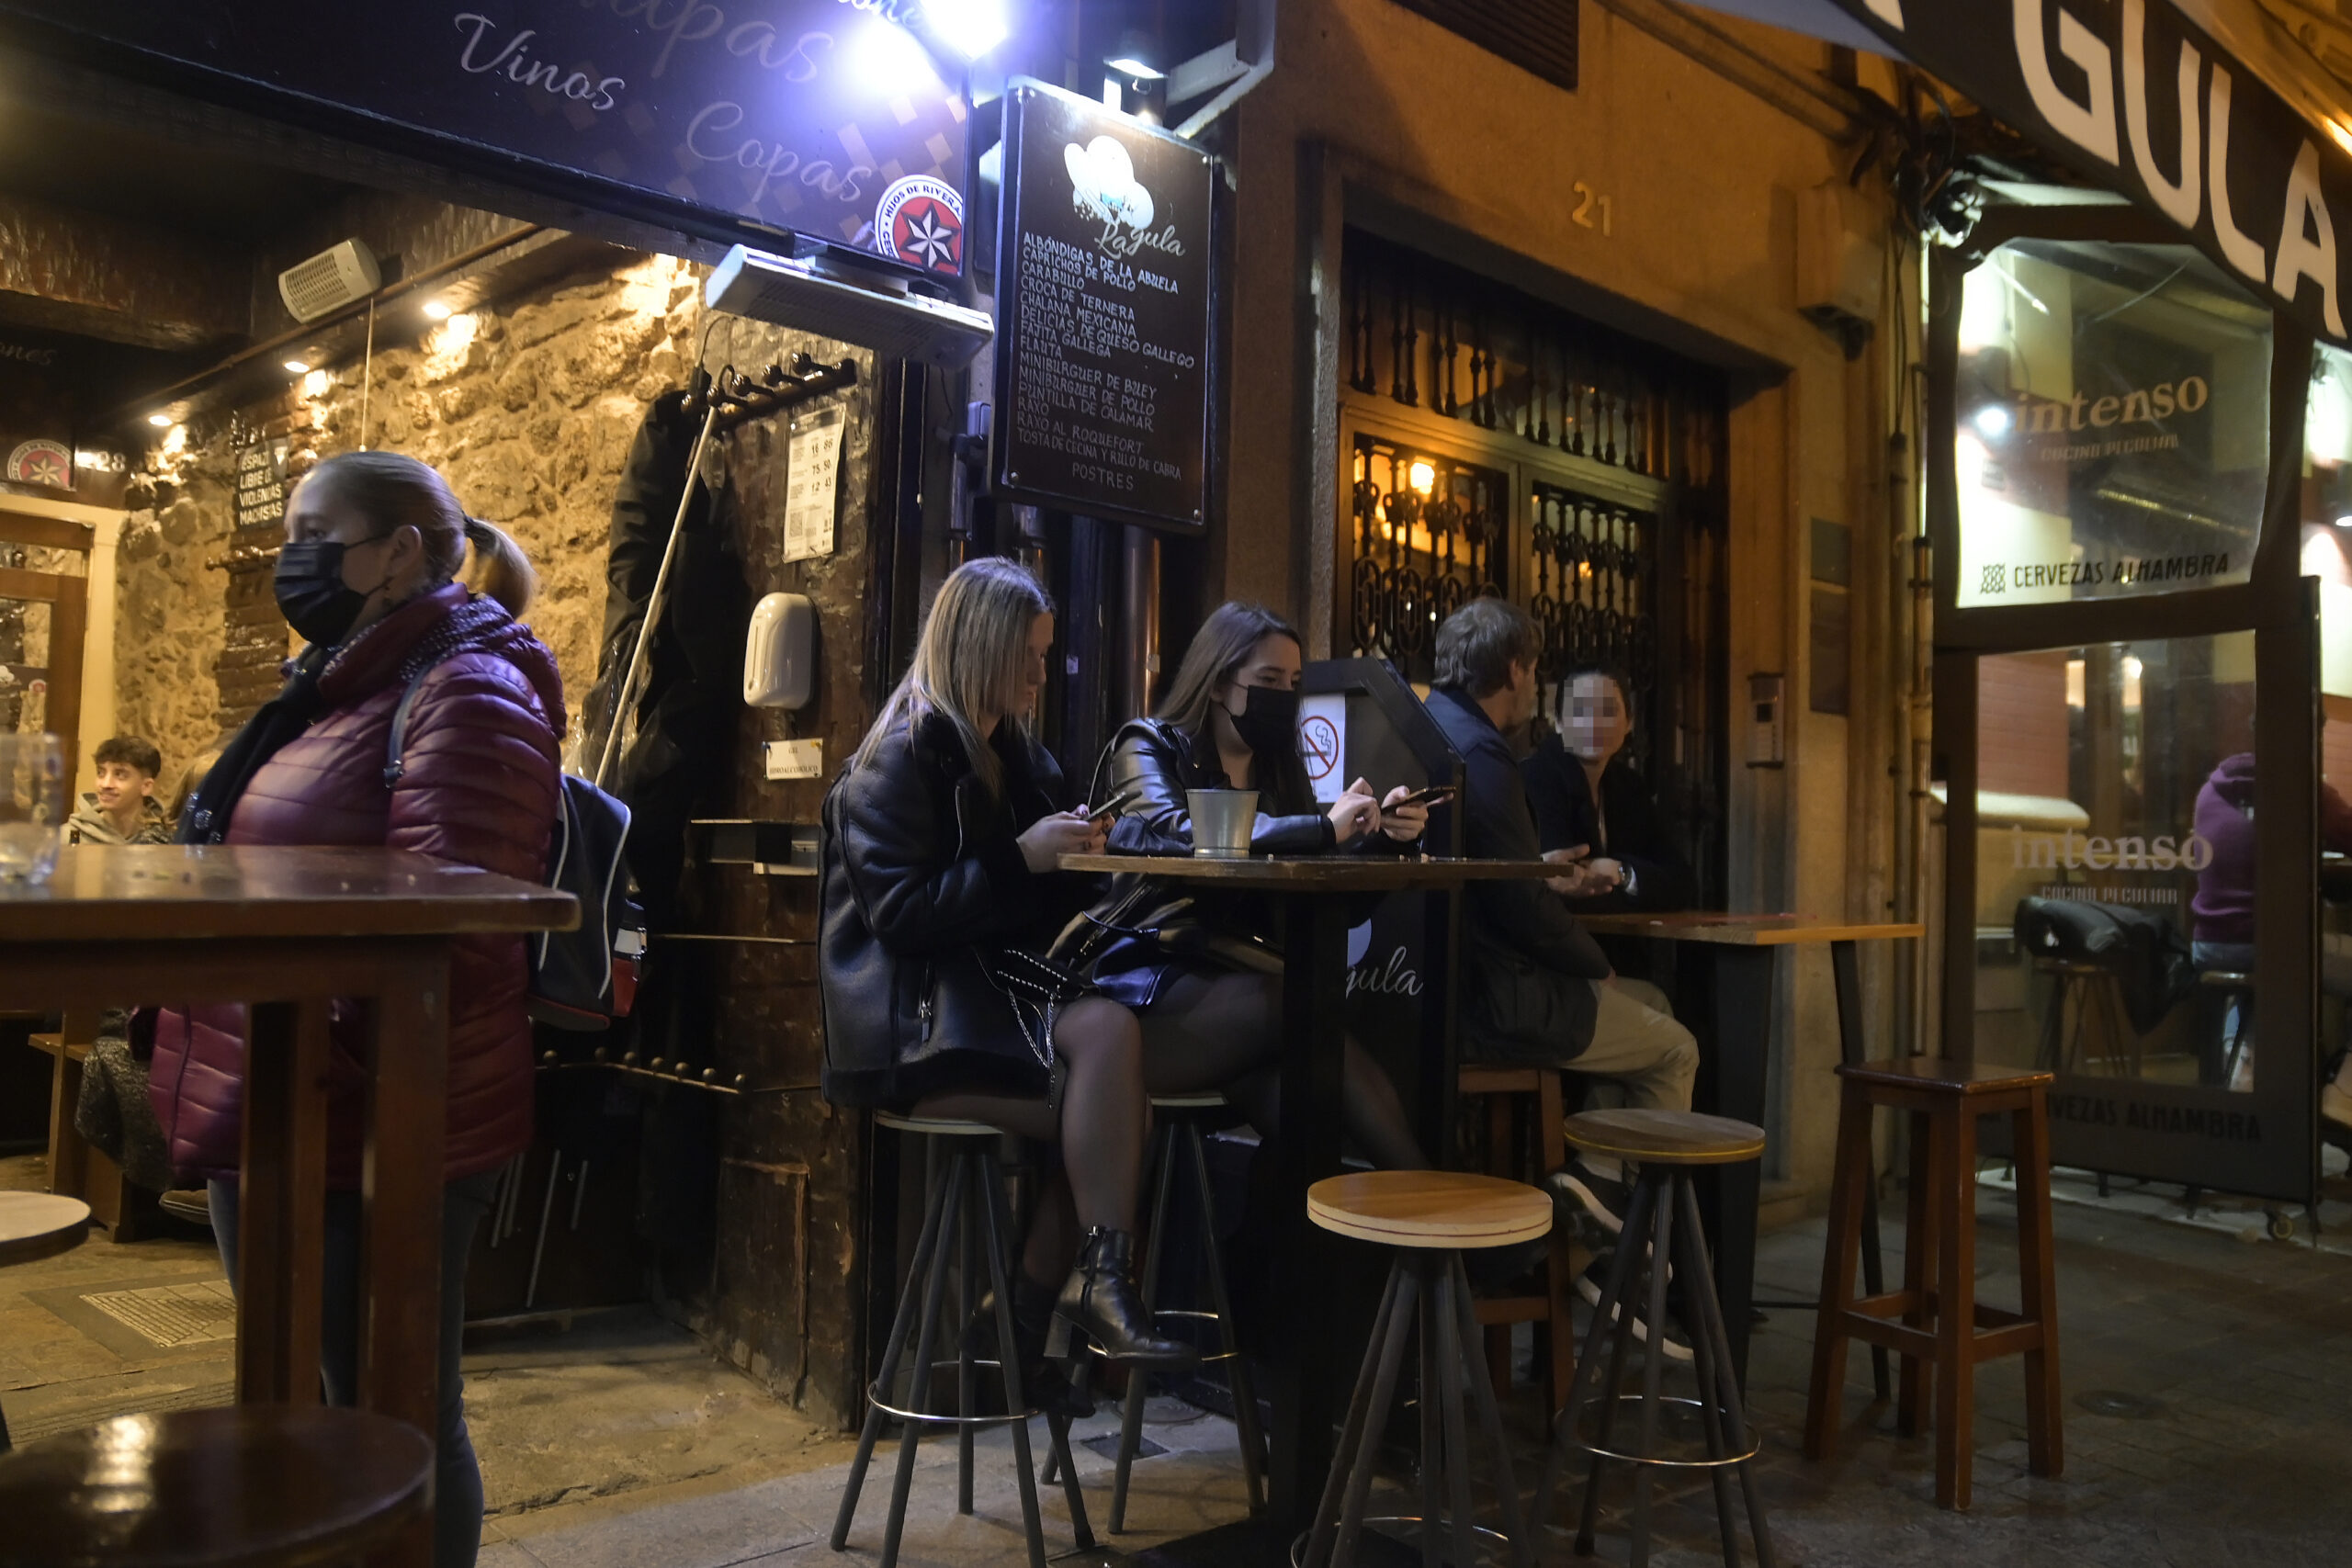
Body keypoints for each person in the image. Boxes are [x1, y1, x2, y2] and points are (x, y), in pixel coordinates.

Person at [148, 450, 562, 1568]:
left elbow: (458, 930)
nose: (292, 560)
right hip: (283, 1102)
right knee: (312, 1403)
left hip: (373, 1116)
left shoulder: (467, 688)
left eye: (313, 535)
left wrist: (309, 1054)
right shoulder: (340, 682)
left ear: (399, 552)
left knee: (395, 1410)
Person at [820, 557, 1191, 1412]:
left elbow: (1026, 905)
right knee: (1113, 1084)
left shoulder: (1019, 758)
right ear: (981, 648)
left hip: (984, 1008)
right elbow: (900, 918)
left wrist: (1083, 856)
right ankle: (1058, 1306)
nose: (1040, 673)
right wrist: (1022, 859)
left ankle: (1023, 1329)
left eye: (1044, 654)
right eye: (1028, 654)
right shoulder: (896, 758)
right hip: (909, 1030)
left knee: (1116, 1097)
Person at [1081, 601, 1428, 1171]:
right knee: (1298, 1005)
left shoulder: (1278, 770)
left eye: (1293, 683)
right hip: (1142, 996)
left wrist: (1386, 839)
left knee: (1309, 1110)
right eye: (1268, 681)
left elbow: (1323, 901)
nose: (1284, 696)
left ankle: (1411, 1209)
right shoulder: (1147, 744)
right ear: (1218, 682)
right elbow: (1174, 831)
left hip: (1241, 1004)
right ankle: (1429, 1208)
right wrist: (1322, 828)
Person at [1423, 599, 1700, 1241]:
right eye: (1537, 671)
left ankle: (1596, 1196)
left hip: (1448, 983)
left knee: (1652, 1005)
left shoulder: (1431, 728)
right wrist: (1594, 963)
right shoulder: (1489, 754)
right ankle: (1625, 1235)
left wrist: (1538, 869)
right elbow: (1523, 909)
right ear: (1516, 670)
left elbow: (1499, 877)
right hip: (1496, 997)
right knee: (1675, 1048)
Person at [2190, 751, 2352, 1131]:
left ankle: (2243, 1076)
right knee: (2278, 959)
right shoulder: (2300, 784)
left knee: (2263, 975)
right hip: (2268, 946)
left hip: (2210, 944)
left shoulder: (2211, 789)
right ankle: (2344, 1096)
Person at [1521, 666, 1694, 911]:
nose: (1594, 723)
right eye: (1580, 711)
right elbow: (1563, 889)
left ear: (1629, 722)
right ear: (1558, 723)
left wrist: (1622, 872)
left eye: (1608, 711)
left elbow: (1682, 883)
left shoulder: (1629, 786)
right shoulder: (1537, 778)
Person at [65, 734, 168, 844]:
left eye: (120, 775)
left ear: (146, 786)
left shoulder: (164, 840)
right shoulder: (66, 837)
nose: (106, 784)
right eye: (101, 773)